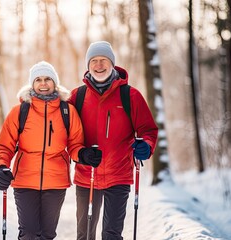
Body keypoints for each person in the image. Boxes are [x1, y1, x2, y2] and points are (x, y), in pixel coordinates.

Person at [0, 61, 102, 240]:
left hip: (56, 182)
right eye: (38, 80)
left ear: (55, 83)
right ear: (32, 84)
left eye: (48, 79)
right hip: (24, 182)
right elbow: (4, 146)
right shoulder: (20, 111)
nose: (43, 83)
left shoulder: (68, 111)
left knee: (47, 234)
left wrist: (83, 155)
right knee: (28, 234)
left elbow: (75, 144)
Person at [68, 41, 159, 240]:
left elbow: (148, 130)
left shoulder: (130, 95)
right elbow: (65, 133)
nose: (99, 65)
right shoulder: (77, 96)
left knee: (111, 234)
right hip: (87, 176)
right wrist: (81, 154)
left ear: (112, 64)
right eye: (94, 61)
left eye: (103, 60)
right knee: (84, 234)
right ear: (88, 65)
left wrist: (146, 145)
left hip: (119, 176)